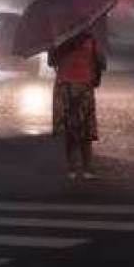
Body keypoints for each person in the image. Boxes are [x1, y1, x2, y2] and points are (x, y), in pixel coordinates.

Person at [49, 27, 107, 179]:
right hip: (79, 86)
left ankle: (74, 167)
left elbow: (51, 62)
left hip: (68, 86)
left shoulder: (61, 39)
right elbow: (101, 63)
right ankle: (85, 167)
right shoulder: (89, 39)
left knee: (74, 129)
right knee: (82, 129)